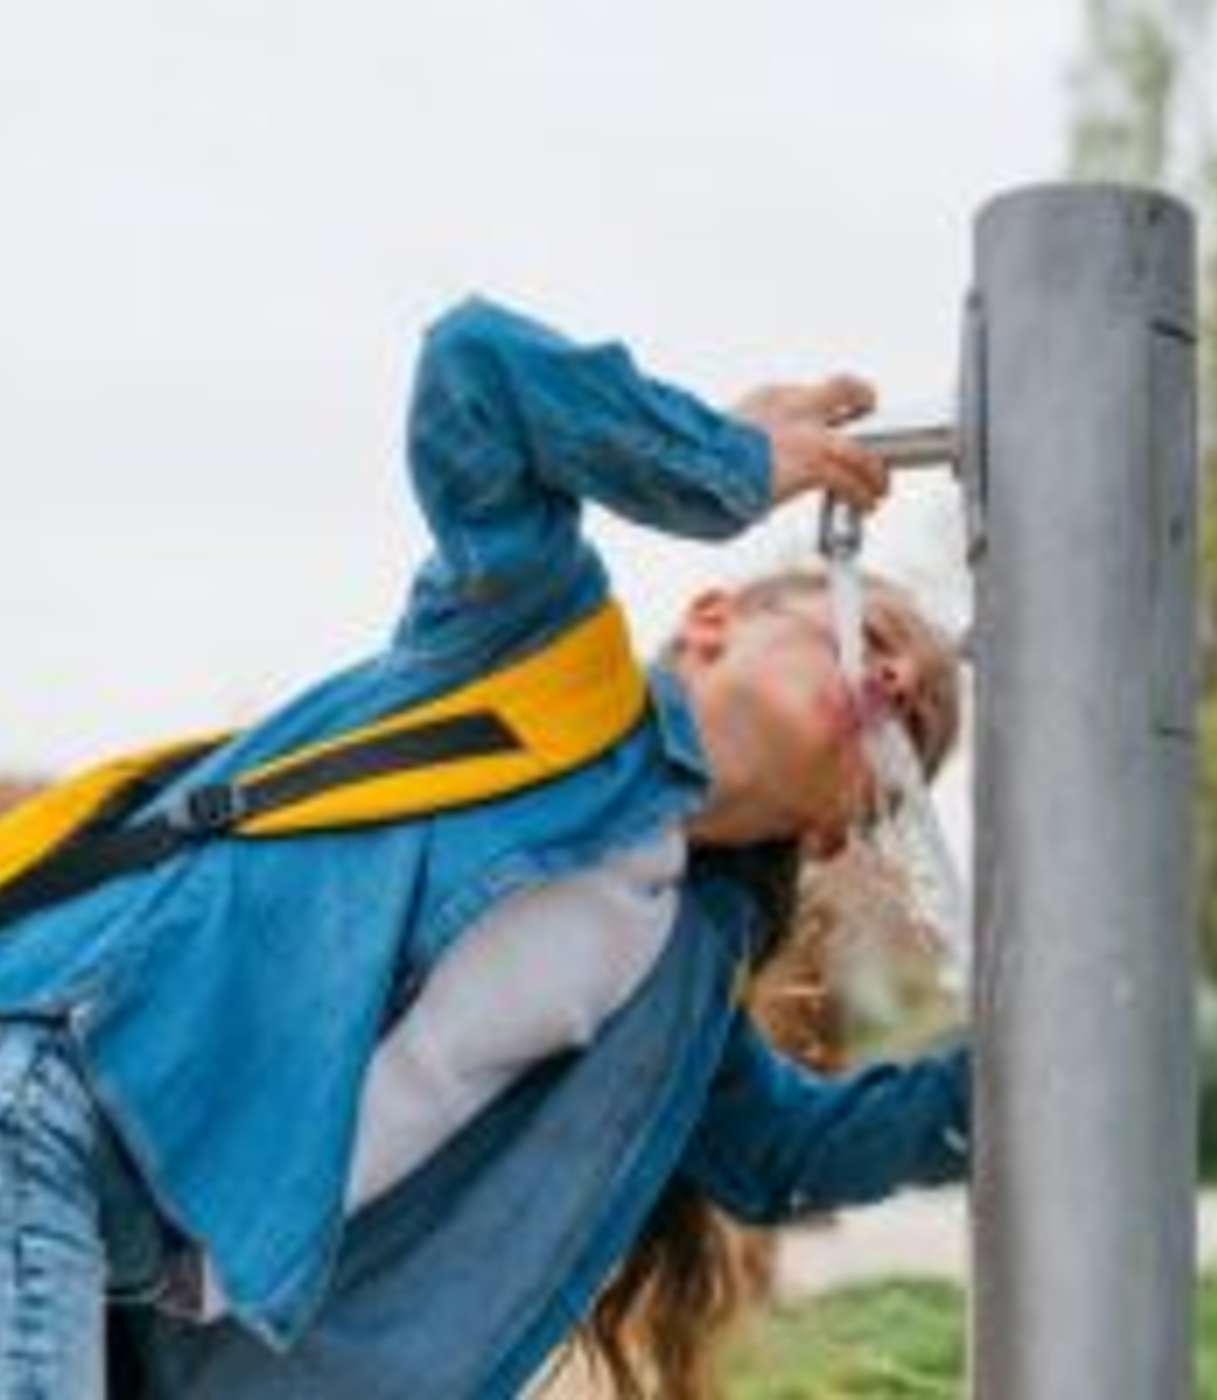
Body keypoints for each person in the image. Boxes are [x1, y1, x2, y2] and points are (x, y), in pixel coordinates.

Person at [0, 297, 971, 1399]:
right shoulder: (532, 646)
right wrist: (722, 460)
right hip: (52, 1100)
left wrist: (1053, 1067)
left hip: (128, 1261)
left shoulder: (682, 979)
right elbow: (476, 371)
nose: (895, 683)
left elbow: (789, 1153)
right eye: (867, 636)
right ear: (711, 623)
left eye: (916, 727)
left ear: (841, 824)